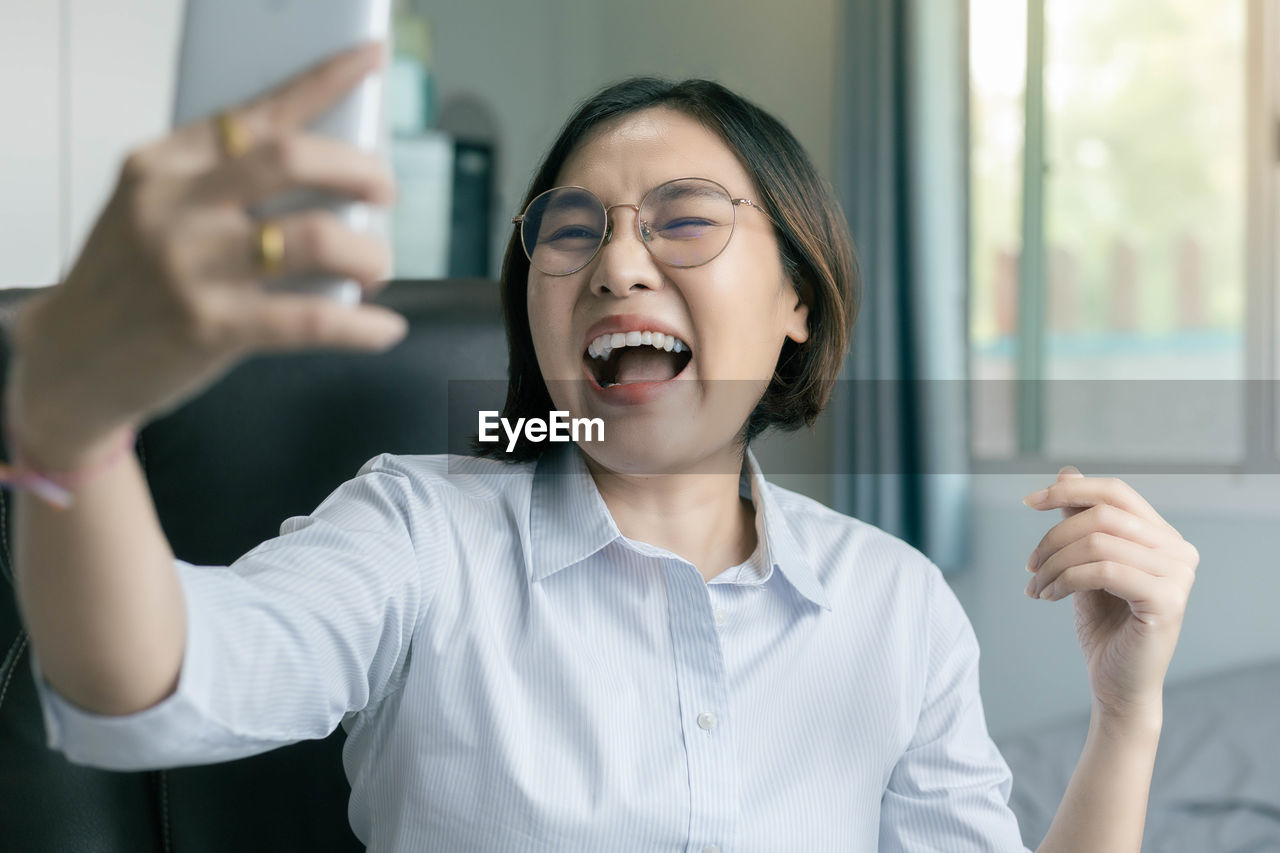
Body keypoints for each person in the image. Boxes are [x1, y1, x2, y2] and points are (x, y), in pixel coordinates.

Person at [7, 43, 1199, 852]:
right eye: (570, 231)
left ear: (796, 295)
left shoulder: (894, 606)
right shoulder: (418, 533)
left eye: (682, 218)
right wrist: (73, 423)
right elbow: (149, 684)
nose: (617, 262)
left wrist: (1123, 714)